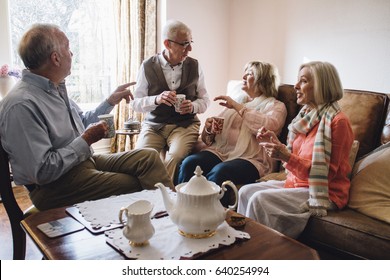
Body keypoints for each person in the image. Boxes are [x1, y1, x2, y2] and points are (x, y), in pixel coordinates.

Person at [0, 23, 173, 211]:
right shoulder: (21, 105)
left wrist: (109, 101)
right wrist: (86, 139)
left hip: (82, 163)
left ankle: (174, 214)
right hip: (52, 187)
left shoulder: (54, 88)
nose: (72, 54)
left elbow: (79, 123)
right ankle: (164, 224)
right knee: (134, 184)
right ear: (55, 58)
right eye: (68, 47)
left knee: (148, 157)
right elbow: (42, 171)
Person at [237, 61, 354, 238]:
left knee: (259, 199)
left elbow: (327, 174)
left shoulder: (338, 122)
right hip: (298, 183)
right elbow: (296, 156)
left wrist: (286, 157)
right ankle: (243, 243)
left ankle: (261, 252)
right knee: (245, 191)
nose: (296, 86)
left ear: (321, 86)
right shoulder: (306, 116)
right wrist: (277, 144)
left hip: (324, 191)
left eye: (304, 81)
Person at [177, 61, 287, 206]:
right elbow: (210, 138)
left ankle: (210, 216)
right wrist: (209, 128)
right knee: (189, 163)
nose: (243, 76)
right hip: (222, 152)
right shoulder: (237, 101)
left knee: (220, 172)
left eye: (249, 74)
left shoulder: (276, 106)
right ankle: (182, 207)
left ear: (263, 79)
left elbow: (269, 126)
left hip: (252, 159)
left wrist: (238, 107)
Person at [131, 19, 210, 181]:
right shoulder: (147, 66)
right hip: (154, 126)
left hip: (185, 126)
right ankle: (146, 197)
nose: (189, 49)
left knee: (174, 157)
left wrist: (193, 107)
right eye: (184, 44)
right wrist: (156, 99)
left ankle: (166, 200)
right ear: (167, 44)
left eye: (190, 43)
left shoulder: (195, 66)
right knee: (141, 158)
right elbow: (135, 103)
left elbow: (205, 100)